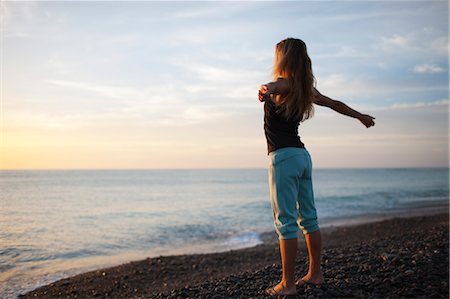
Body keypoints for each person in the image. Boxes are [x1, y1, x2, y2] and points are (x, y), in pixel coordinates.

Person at [258, 38, 375, 296]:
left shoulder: (284, 84)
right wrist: (360, 116)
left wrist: (265, 88)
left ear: (283, 58)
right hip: (302, 157)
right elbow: (335, 104)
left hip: (283, 158)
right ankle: (315, 273)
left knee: (285, 222)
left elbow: (274, 85)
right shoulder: (304, 88)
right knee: (308, 219)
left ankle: (287, 284)